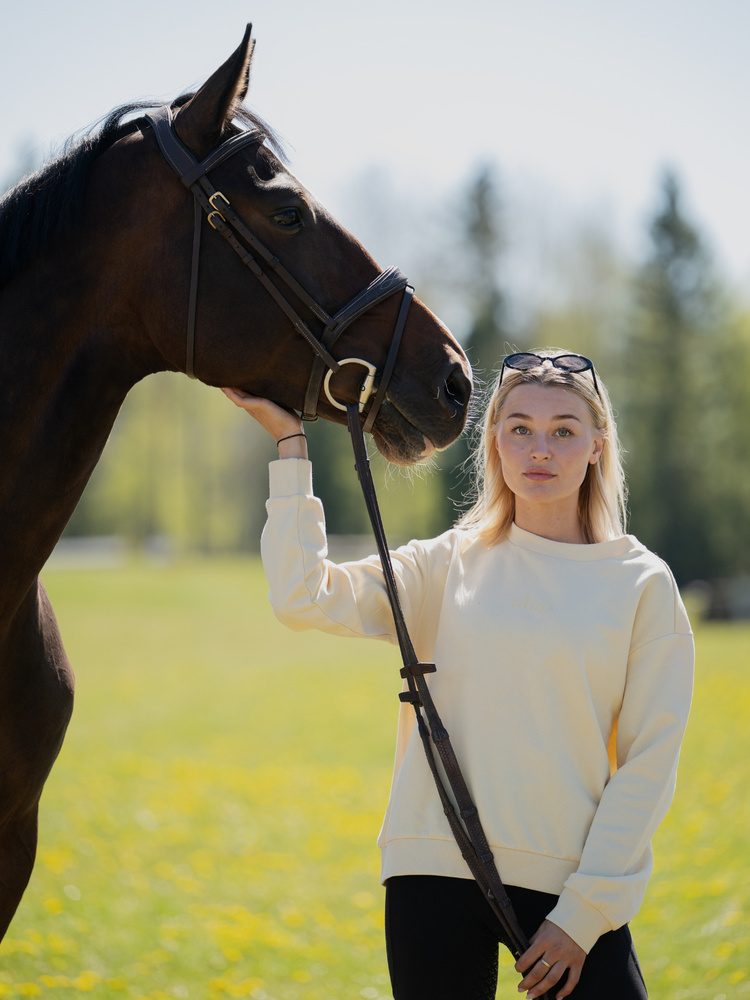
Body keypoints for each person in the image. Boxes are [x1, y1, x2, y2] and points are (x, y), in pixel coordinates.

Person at [222, 350, 694, 1000]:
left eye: (563, 430)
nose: (540, 448)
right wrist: (291, 446)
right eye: (520, 427)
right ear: (495, 440)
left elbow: (649, 763)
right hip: (433, 872)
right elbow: (304, 597)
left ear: (595, 445)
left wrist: (583, 917)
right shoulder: (446, 564)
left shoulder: (641, 584)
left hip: (570, 886)